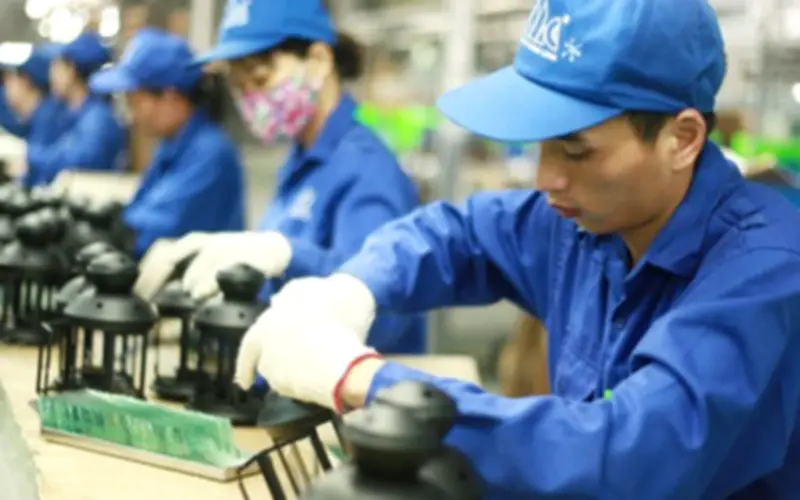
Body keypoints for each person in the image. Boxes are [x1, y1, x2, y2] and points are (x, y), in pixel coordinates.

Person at [234, 0, 800, 498]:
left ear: (682, 139)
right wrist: (351, 288)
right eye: (540, 144)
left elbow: (632, 457)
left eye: (575, 151)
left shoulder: (763, 268)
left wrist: (365, 380)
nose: (546, 178)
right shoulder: (586, 224)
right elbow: (456, 234)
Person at [137, 0, 425, 355]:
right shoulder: (302, 158)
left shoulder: (366, 171)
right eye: (239, 87)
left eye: (260, 80)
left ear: (318, 61)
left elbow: (383, 311)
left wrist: (286, 254)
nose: (251, 101)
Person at [88, 28, 246, 260]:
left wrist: (110, 231)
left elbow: (155, 229)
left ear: (169, 97)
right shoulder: (173, 144)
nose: (132, 115)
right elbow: (144, 205)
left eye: (135, 102)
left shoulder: (210, 153)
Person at [28, 32, 126, 185]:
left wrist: (32, 158)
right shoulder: (71, 113)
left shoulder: (97, 119)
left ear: (71, 70)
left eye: (57, 66)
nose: (51, 74)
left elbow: (78, 161)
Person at [2, 43, 69, 187]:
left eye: (8, 80)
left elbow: (39, 177)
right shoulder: (41, 115)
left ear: (25, 81)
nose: (5, 88)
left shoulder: (46, 118)